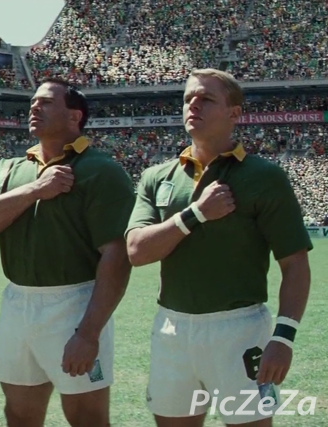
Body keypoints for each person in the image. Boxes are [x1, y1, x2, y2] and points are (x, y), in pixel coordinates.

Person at [125, 68, 312, 427]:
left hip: (240, 330)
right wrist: (195, 214)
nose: (193, 105)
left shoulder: (264, 177)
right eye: (188, 99)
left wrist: (284, 337)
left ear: (234, 113)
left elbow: (295, 263)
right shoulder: (157, 176)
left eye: (206, 99)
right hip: (171, 328)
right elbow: (137, 251)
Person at [0, 77, 134, 427]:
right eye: (33, 102)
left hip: (75, 302)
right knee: (19, 415)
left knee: (87, 418)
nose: (34, 107)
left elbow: (116, 256)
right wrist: (34, 190)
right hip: (17, 301)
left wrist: (88, 333)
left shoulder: (102, 171)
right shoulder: (9, 169)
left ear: (75, 116)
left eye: (46, 102)